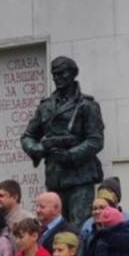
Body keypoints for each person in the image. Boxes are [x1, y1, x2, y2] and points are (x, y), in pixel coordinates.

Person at [21, 56, 106, 226]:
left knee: (78, 227)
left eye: (62, 73)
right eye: (54, 74)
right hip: (55, 177)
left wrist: (70, 155)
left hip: (80, 177)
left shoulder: (87, 105)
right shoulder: (46, 106)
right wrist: (38, 149)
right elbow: (28, 136)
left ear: (73, 74)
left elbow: (95, 141)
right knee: (55, 227)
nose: (57, 78)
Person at [78, 178, 126, 251]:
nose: (97, 211)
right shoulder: (87, 225)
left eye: (102, 208)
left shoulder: (128, 221)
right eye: (95, 208)